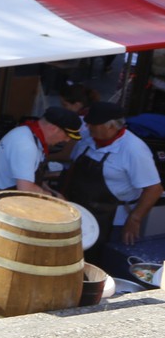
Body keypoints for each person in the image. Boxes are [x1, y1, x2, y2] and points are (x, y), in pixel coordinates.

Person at [63, 102, 163, 261]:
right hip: (77, 211)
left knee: (98, 262)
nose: (87, 126)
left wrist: (135, 218)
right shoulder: (88, 137)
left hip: (110, 219)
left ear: (111, 126)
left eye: (93, 123)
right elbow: (72, 165)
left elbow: (154, 189)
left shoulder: (134, 150)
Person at [0, 106, 83, 213]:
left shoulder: (30, 136)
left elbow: (32, 179)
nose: (67, 140)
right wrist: (53, 198)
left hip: (4, 204)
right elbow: (25, 188)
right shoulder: (26, 144)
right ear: (54, 128)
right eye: (66, 135)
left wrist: (50, 191)